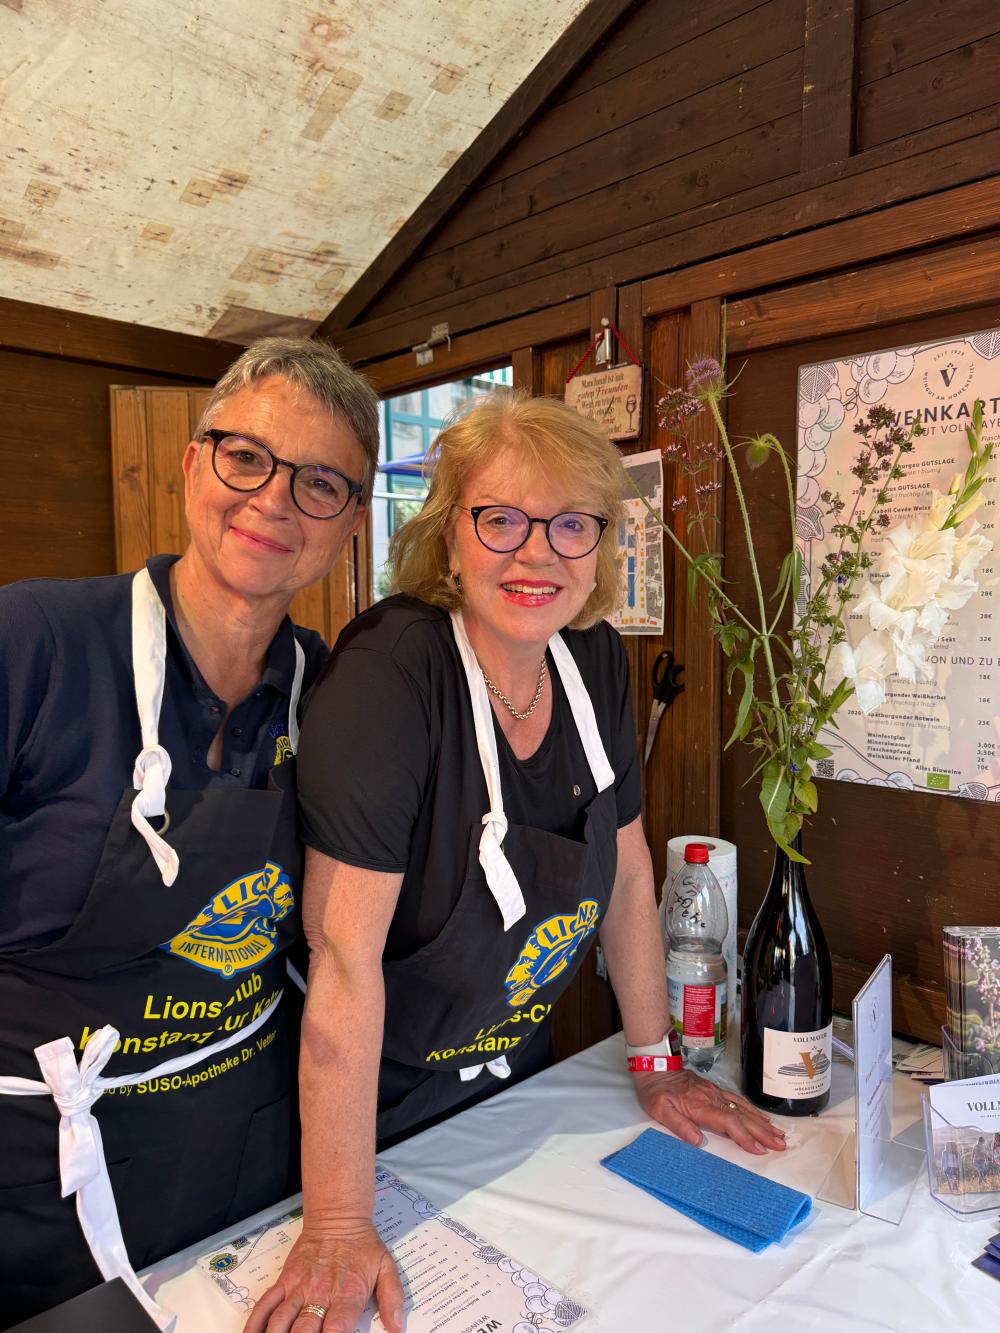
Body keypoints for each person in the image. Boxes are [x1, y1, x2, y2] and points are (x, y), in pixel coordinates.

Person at [249, 393, 786, 1333]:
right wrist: (337, 1222)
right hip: (375, 1111)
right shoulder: (391, 674)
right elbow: (342, 956)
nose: (537, 554)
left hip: (515, 1080)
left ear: (603, 545)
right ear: (449, 534)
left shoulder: (595, 660)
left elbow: (626, 874)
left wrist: (656, 1061)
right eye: (500, 519)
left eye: (571, 523)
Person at [0, 337, 379, 1328]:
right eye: (246, 457)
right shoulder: (32, 645)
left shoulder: (329, 691)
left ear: (350, 523)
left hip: (249, 1166)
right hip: (40, 1185)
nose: (273, 500)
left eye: (320, 483)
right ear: (190, 464)